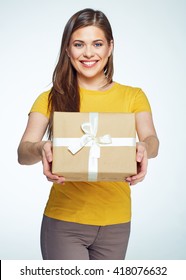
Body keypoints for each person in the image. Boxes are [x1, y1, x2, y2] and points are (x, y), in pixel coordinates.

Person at [17, 8, 159, 260]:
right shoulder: (51, 98)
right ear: (67, 49)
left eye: (97, 43)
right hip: (64, 224)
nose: (89, 53)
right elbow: (23, 152)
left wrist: (144, 147)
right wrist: (41, 148)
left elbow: (152, 140)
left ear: (110, 47)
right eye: (79, 44)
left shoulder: (133, 96)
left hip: (117, 223)